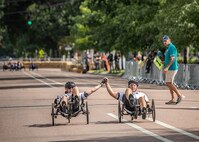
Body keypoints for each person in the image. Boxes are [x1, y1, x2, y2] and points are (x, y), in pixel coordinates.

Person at [162, 35, 184, 104]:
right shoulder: (168, 48)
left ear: (169, 40)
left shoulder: (172, 47)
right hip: (169, 68)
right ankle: (173, 99)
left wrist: (167, 67)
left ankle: (179, 95)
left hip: (172, 68)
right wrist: (163, 62)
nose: (165, 42)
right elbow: (169, 59)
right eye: (164, 41)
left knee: (169, 83)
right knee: (168, 83)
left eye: (166, 40)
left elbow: (172, 59)